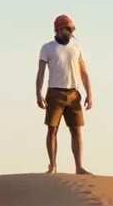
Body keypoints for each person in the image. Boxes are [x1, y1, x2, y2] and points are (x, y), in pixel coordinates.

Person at [34, 14, 92, 174]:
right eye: (68, 28)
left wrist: (89, 94)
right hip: (54, 92)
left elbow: (84, 72)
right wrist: (38, 93)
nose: (71, 31)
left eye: (72, 28)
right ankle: (52, 166)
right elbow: (40, 72)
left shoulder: (77, 48)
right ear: (59, 29)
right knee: (52, 129)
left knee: (76, 130)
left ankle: (79, 167)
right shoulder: (47, 48)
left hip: (74, 94)